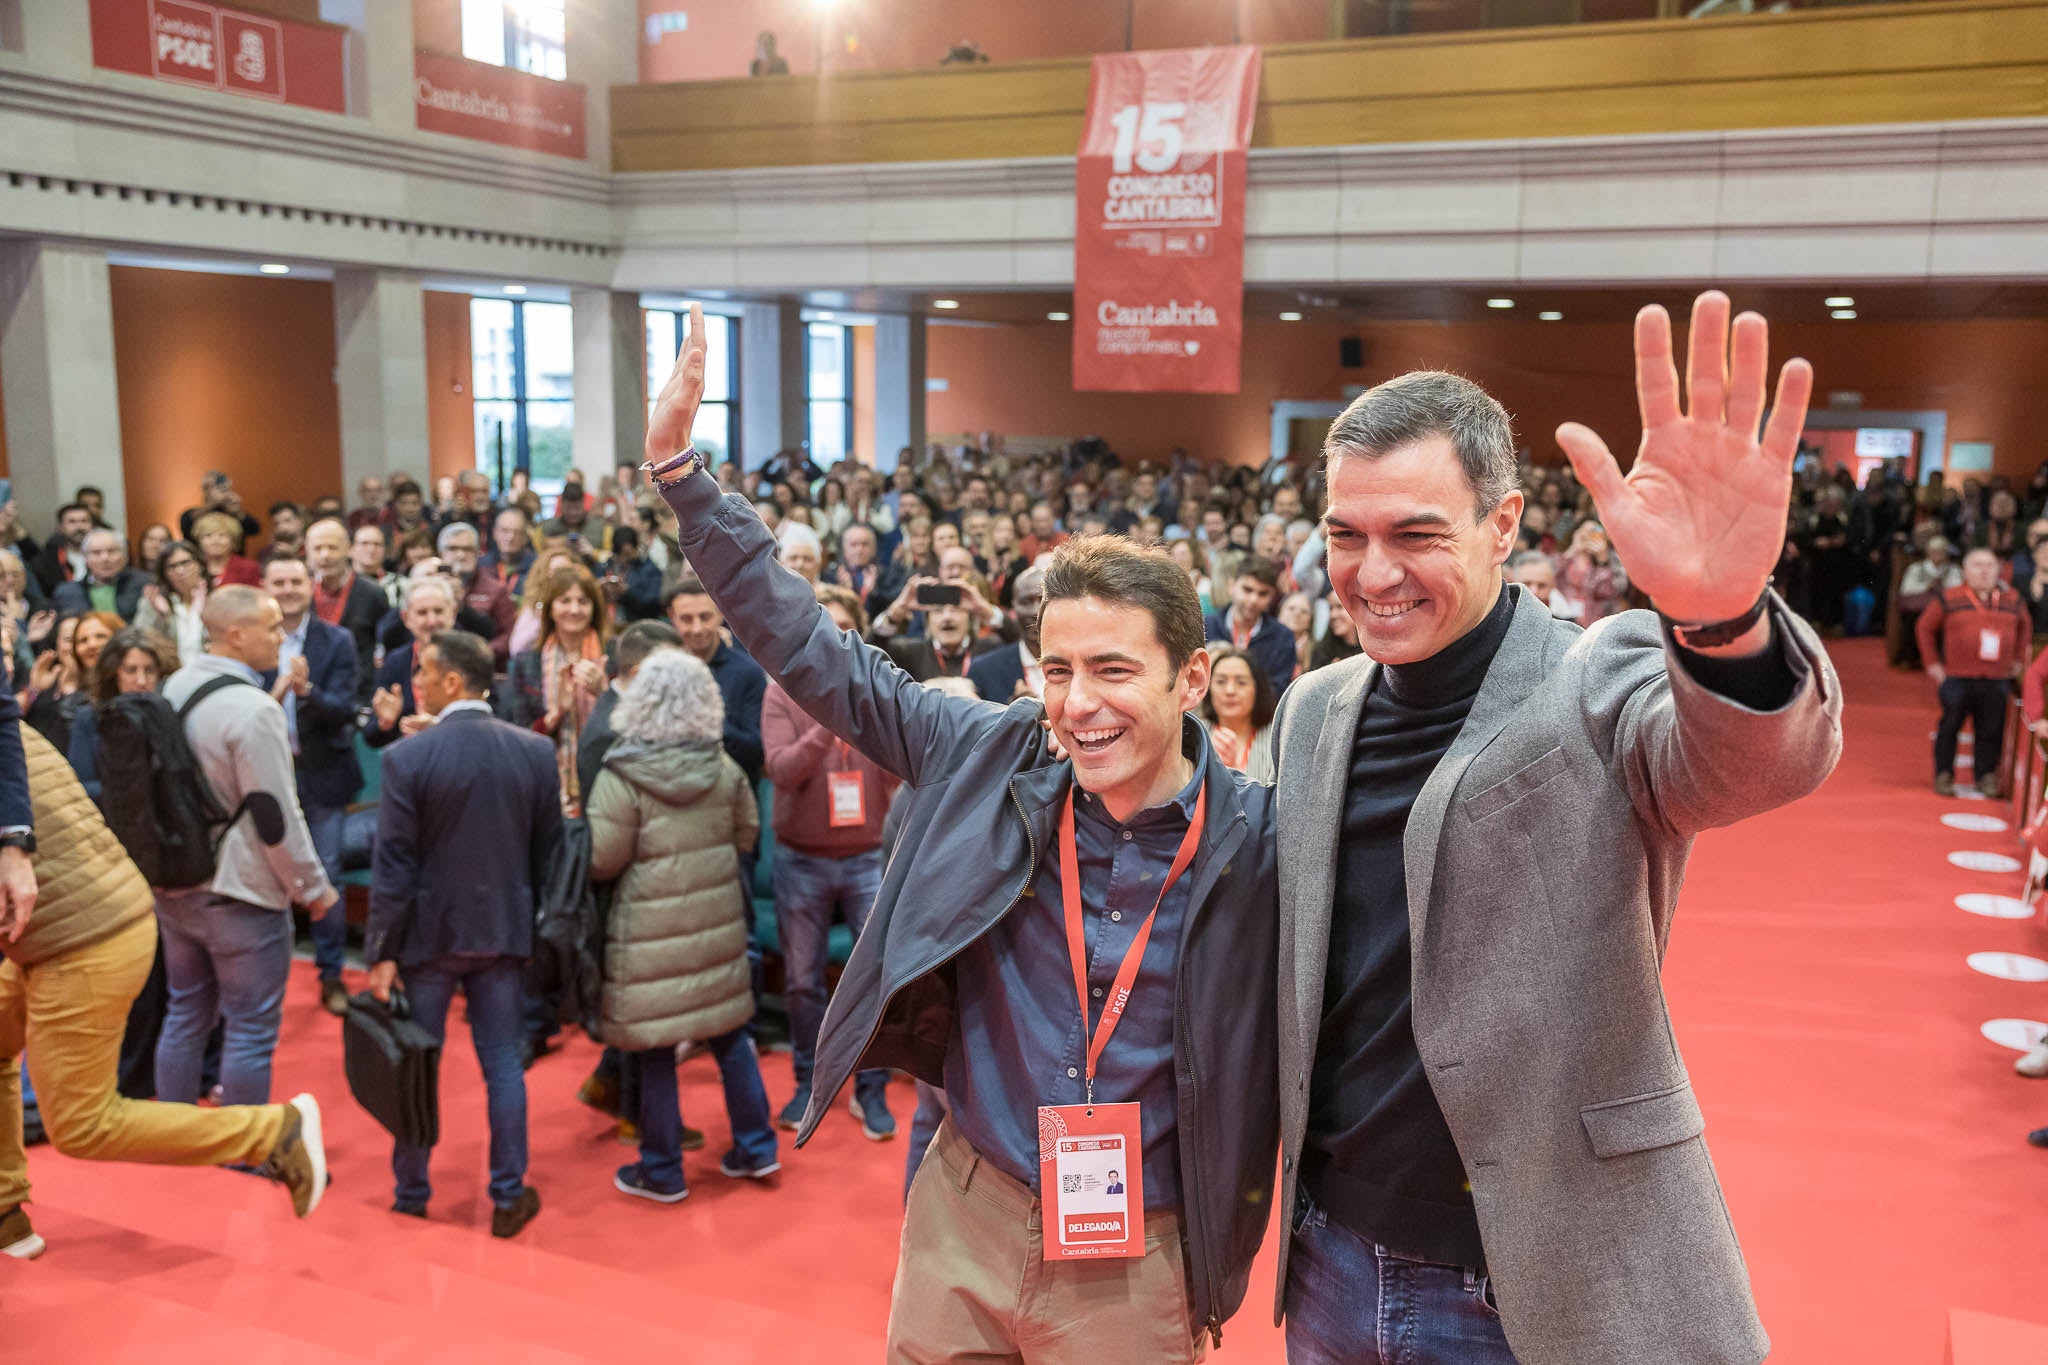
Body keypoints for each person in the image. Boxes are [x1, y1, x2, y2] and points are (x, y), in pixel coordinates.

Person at [645, 306, 1280, 1359]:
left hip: (1141, 1253)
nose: (1078, 705)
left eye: (1114, 671)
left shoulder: (1259, 839)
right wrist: (683, 479)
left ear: (1192, 679)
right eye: (1059, 670)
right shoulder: (987, 750)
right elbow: (816, 652)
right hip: (966, 1205)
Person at [1272, 294, 1842, 1365]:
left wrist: (1719, 623)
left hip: (1532, 1276)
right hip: (1329, 1257)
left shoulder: (1600, 675)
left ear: (1501, 524)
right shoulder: (1312, 710)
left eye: (1415, 534)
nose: (1372, 573)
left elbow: (1752, 764)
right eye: (1345, 536)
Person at [1, 713, 326, 1263]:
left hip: (82, 938)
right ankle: (6, 1213)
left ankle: (273, 1132)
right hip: (78, 921)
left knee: (83, 1126)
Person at [365, 630, 559, 1237]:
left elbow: (393, 865)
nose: (414, 681)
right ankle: (507, 1195)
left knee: (415, 1066)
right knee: (503, 1065)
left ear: (451, 681)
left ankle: (411, 1191)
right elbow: (548, 854)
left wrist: (382, 951)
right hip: (503, 930)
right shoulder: (534, 752)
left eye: (423, 670)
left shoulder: (406, 758)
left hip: (427, 937)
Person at [587, 649, 780, 1199]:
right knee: (731, 1040)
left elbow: (602, 858)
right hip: (717, 928)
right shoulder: (722, 768)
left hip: (647, 939)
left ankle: (663, 1169)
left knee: (653, 1052)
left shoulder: (622, 773)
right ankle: (757, 1149)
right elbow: (748, 833)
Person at [157, 587, 340, 1108]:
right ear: (235, 635)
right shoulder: (254, 709)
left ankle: (175, 1137)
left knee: (185, 1013)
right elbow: (274, 817)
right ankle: (243, 1151)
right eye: (271, 627)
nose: (281, 638)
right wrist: (313, 888)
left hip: (174, 884)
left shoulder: (174, 687)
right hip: (240, 892)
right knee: (250, 1031)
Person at [761, 584, 903, 1137]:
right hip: (802, 859)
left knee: (875, 979)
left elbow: (899, 771)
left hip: (868, 855)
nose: (834, 638)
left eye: (844, 627)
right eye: (825, 625)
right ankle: (809, 1082)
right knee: (800, 982)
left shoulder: (876, 693)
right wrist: (829, 719)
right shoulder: (781, 692)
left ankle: (870, 1090)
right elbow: (782, 770)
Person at [258, 558, 363, 1014]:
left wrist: (306, 693)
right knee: (266, 878)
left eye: (295, 581)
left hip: (322, 775)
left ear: (310, 585)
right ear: (264, 587)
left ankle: (332, 974)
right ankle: (267, 978)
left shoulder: (337, 640)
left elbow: (344, 709)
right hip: (266, 774)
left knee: (327, 873)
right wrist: (278, 694)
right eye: (278, 582)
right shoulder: (251, 643)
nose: (287, 589)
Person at [1918, 546, 2030, 798]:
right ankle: (1944, 774)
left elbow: (2025, 627)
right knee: (1950, 725)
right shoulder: (1949, 597)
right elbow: (1924, 627)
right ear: (1966, 571)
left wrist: (2019, 658)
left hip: (1997, 677)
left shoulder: (2013, 599)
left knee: (1991, 728)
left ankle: (1986, 776)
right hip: (1957, 676)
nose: (1984, 571)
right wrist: (1932, 663)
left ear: (1999, 570)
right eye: (1978, 565)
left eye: (1990, 565)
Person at [503, 564, 611, 817]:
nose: (574, 610)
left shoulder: (613, 655)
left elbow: (632, 726)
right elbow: (519, 736)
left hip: (607, 775)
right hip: (546, 778)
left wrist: (604, 693)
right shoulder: (527, 662)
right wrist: (556, 713)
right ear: (550, 609)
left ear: (594, 608)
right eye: (565, 601)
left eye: (583, 601)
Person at [664, 576, 766, 782]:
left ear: (721, 613)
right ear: (672, 617)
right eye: (686, 619)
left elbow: (758, 751)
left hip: (733, 795)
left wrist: (708, 722)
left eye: (705, 617)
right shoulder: (662, 671)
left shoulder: (748, 672)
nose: (697, 628)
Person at [365, 575, 456, 749]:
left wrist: (440, 725)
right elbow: (371, 736)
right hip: (410, 763)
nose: (431, 621)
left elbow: (492, 717)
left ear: (453, 614)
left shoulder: (471, 656)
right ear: (406, 618)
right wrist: (386, 722)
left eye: (438, 611)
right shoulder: (396, 661)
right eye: (422, 613)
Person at [303, 519, 387, 703]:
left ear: (348, 549)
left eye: (333, 547)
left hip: (359, 694)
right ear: (307, 553)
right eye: (317, 549)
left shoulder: (372, 593)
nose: (325, 555)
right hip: (310, 695)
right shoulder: (300, 592)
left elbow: (384, 646)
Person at [1205, 554, 1297, 697]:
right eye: (1247, 590)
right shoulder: (1205, 627)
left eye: (1263, 593)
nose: (1253, 599)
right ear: (1231, 586)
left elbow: (1279, 691)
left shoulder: (1283, 638)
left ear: (1272, 596)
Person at [24, 612, 115, 755]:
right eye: (70, 640)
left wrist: (70, 691)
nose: (91, 644)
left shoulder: (110, 683)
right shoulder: (47, 676)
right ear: (57, 643)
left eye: (100, 637)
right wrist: (34, 690)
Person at [435, 522, 517, 665]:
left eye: (468, 549)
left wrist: (482, 653)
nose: (460, 555)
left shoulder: (496, 589)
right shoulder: (428, 586)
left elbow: (509, 636)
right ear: (441, 553)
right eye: (453, 548)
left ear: (478, 553)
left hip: (481, 667)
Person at [966, 564, 1047, 702]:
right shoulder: (985, 671)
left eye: (1044, 600)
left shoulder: (1085, 661)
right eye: (1026, 602)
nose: (1036, 611)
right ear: (1014, 606)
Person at [1199, 645, 1276, 783]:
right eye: (1221, 682)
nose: (1230, 691)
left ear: (1257, 689)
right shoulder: (1194, 733)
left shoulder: (1275, 739)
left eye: (1241, 683)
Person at [135, 540, 210, 664]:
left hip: (208, 673)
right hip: (169, 673)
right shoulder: (152, 602)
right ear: (164, 573)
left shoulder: (215, 599)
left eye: (185, 563)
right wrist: (162, 617)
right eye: (172, 566)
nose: (180, 570)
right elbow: (140, 641)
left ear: (200, 564)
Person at [51, 530, 147, 622]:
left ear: (125, 556)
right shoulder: (67, 592)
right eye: (96, 552)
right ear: (85, 558)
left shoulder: (144, 583)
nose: (105, 558)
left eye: (112, 551)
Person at [29, 503, 93, 597]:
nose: (79, 526)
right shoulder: (44, 563)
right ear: (60, 527)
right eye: (72, 522)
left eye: (84, 521)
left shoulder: (106, 557)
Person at [1506, 547, 1579, 619]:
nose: (1534, 591)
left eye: (1542, 585)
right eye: (1527, 584)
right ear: (1514, 583)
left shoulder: (1567, 626)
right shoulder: (1498, 624)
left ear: (1553, 586)